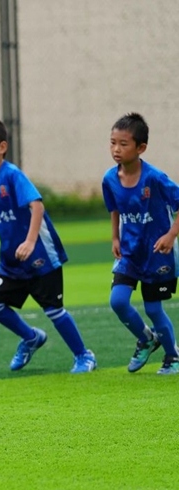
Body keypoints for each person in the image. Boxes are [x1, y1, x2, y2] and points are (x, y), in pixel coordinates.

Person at [0, 118, 97, 373]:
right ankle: (31, 338)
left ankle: (84, 355)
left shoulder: (12, 174)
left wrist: (29, 241)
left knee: (53, 310)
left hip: (40, 256)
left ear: (2, 146)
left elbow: (36, 205)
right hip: (11, 260)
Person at [103, 112, 179, 374]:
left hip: (157, 254)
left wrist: (171, 235)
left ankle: (173, 357)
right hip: (129, 252)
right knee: (118, 301)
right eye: (113, 142)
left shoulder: (155, 178)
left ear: (141, 148)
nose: (116, 149)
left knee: (153, 308)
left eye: (123, 144)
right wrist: (115, 237)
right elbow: (114, 208)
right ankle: (146, 339)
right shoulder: (109, 179)